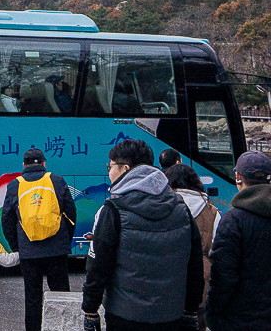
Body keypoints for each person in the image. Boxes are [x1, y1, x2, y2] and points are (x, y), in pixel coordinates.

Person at [81, 139, 203, 331]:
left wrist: (90, 309)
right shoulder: (181, 208)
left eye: (110, 166)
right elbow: (194, 264)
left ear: (125, 168)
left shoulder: (114, 209)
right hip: (170, 316)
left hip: (124, 315)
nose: (109, 171)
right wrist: (191, 310)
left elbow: (98, 265)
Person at [1, 148, 77, 331]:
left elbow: (7, 219)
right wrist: (66, 238)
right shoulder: (56, 180)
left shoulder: (15, 185)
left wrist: (17, 246)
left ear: (23, 165)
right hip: (56, 249)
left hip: (29, 250)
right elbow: (71, 212)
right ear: (44, 163)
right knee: (60, 296)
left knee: (33, 298)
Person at [206, 151, 271, 331]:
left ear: (238, 177)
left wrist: (213, 314)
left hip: (239, 318)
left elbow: (222, 276)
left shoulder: (233, 220)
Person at [165, 164, 221, 331]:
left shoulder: (162, 207)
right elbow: (216, 249)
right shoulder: (211, 212)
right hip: (201, 282)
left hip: (167, 280)